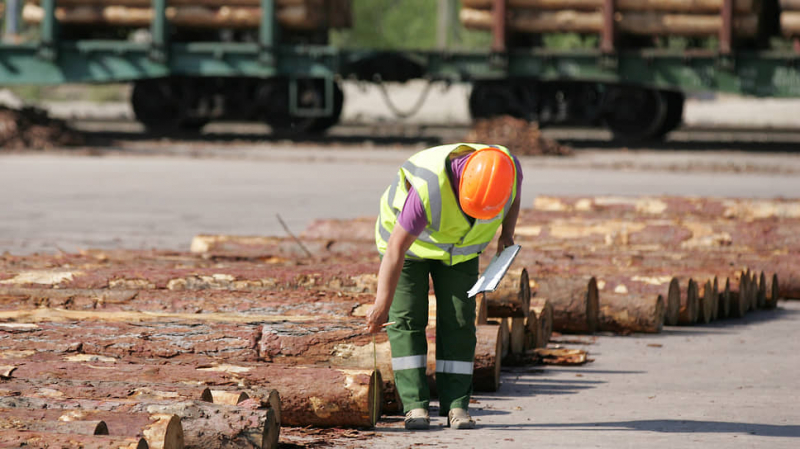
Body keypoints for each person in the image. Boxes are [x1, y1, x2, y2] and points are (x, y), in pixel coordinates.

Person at [365, 143, 522, 430]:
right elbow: (395, 250)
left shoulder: (506, 167)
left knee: (460, 321)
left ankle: (457, 405)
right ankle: (414, 406)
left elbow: (514, 196)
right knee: (407, 319)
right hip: (410, 249)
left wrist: (507, 233)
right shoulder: (428, 191)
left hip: (459, 253)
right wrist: (382, 305)